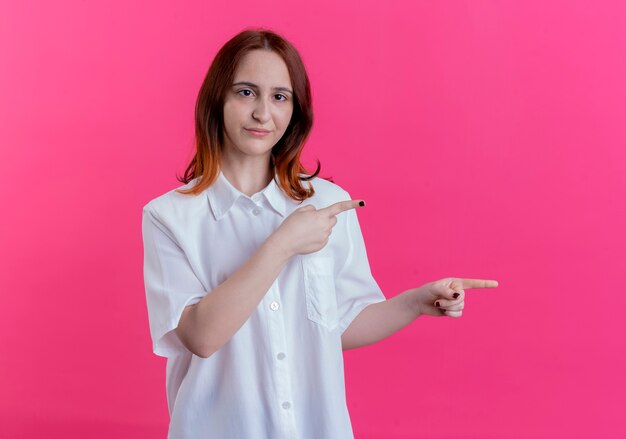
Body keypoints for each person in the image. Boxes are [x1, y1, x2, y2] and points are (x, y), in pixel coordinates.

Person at [141, 28, 498, 439]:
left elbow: (336, 326)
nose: (262, 113)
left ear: (296, 109)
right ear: (216, 98)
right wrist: (282, 244)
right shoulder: (170, 216)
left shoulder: (329, 202)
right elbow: (201, 337)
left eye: (279, 97)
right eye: (245, 92)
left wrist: (415, 302)